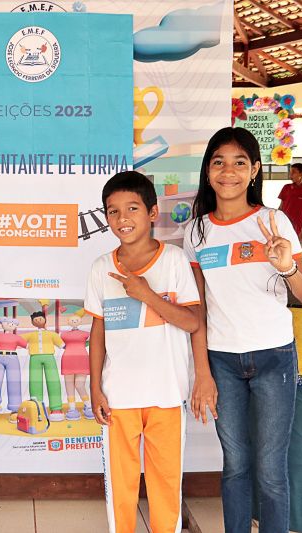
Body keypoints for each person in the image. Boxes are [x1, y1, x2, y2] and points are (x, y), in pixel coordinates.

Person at [184, 127, 302, 533]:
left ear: (255, 170)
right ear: (208, 171)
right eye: (219, 162)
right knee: (236, 465)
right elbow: (198, 310)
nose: (229, 171)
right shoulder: (196, 231)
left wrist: (287, 267)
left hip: (275, 356)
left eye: (240, 162)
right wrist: (203, 374)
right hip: (222, 360)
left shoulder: (273, 222)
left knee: (271, 469)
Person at [85, 170, 203, 533]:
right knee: (120, 487)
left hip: (166, 394)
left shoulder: (174, 260)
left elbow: (192, 322)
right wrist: (95, 387)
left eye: (132, 208)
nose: (122, 218)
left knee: (165, 484)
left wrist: (147, 294)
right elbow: (98, 331)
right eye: (113, 211)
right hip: (118, 397)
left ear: (152, 213)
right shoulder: (101, 268)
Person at [20, 311, 66, 422]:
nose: (38, 321)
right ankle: (37, 408)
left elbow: (63, 345)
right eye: (35, 320)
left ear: (45, 320)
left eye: (40, 319)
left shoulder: (52, 334)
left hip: (49, 358)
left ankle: (56, 408)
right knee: (35, 382)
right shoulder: (30, 335)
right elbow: (17, 339)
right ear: (32, 322)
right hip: (34, 358)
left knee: (53, 381)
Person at [59, 313, 92, 420]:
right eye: (72, 320)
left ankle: (88, 404)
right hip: (68, 360)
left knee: (79, 384)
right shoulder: (63, 334)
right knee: (69, 385)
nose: (74, 321)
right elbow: (60, 344)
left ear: (80, 321)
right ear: (68, 321)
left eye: (76, 319)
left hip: (82, 360)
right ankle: (72, 408)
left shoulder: (86, 334)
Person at [278, 162, 302, 235]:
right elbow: (281, 206)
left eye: (293, 172)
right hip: (285, 222)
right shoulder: (286, 187)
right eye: (290, 173)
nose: (290, 175)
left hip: (300, 224)